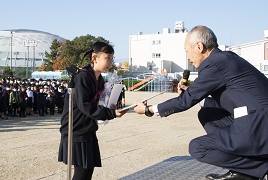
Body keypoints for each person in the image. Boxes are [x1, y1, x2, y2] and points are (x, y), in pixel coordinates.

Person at [133, 26, 268, 180]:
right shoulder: (226, 58)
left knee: (198, 147)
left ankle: (262, 169)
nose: (188, 57)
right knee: (207, 113)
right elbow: (228, 98)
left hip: (259, 125)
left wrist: (148, 110)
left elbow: (185, 101)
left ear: (199, 46)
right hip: (255, 118)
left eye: (187, 51)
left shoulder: (214, 63)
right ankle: (243, 170)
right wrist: (193, 92)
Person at [58, 41, 127, 180]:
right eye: (107, 58)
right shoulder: (83, 76)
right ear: (94, 58)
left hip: (88, 128)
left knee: (88, 170)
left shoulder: (99, 78)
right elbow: (85, 105)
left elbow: (98, 102)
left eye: (112, 59)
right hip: (75, 129)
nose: (110, 62)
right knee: (82, 172)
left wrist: (110, 106)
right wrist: (110, 114)